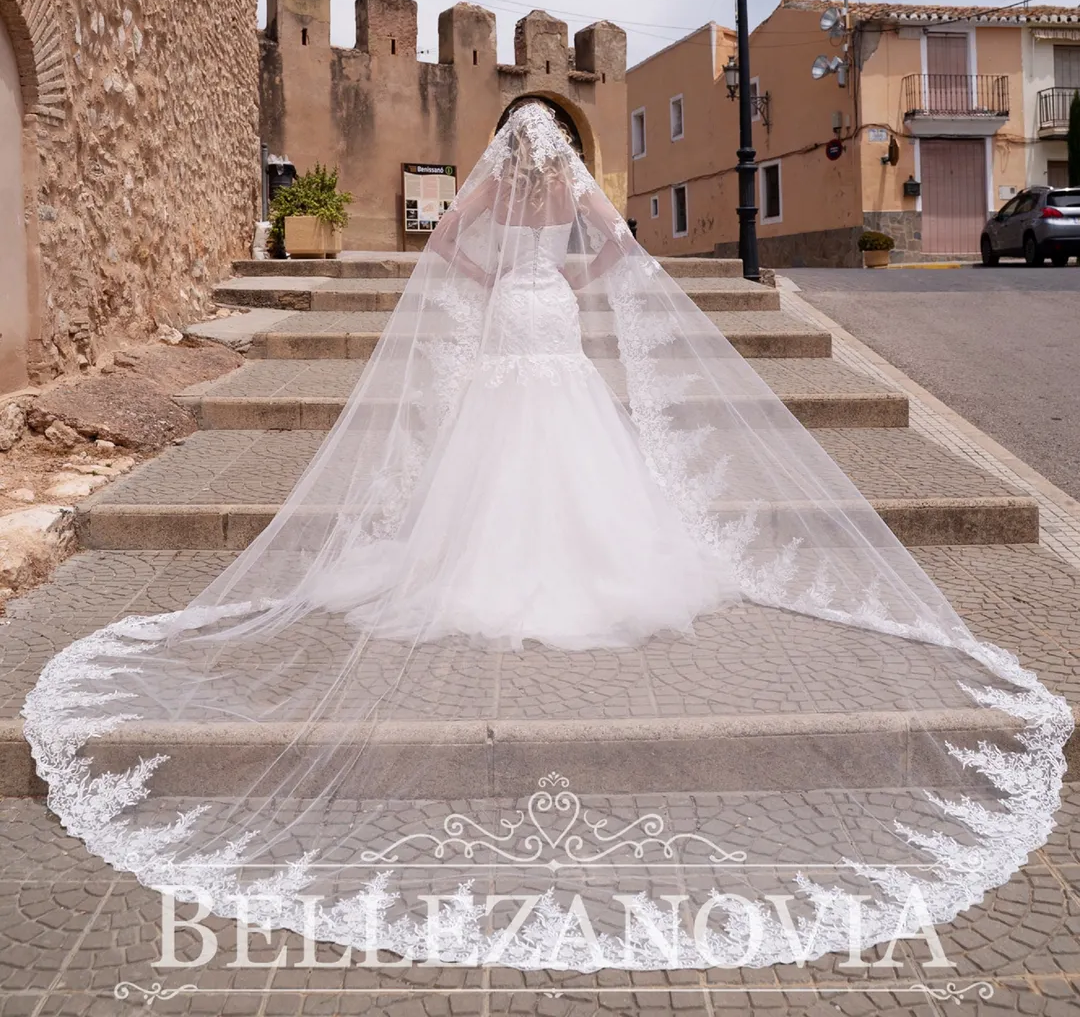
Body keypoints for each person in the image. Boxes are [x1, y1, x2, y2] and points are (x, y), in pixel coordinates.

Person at [24, 101, 1071, 972]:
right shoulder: (573, 194)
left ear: (506, 149)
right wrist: (561, 280)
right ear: (560, 150)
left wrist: (498, 282)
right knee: (571, 433)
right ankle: (584, 566)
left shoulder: (489, 190)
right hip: (552, 321)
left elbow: (441, 246)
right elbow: (621, 255)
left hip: (510, 317)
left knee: (498, 440)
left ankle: (487, 568)